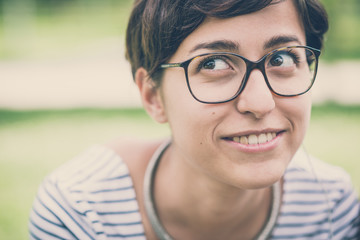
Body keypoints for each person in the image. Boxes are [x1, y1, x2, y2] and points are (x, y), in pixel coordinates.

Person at [29, 0, 360, 239]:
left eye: (282, 57)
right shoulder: (82, 210)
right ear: (152, 96)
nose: (260, 102)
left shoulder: (330, 208)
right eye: (214, 64)